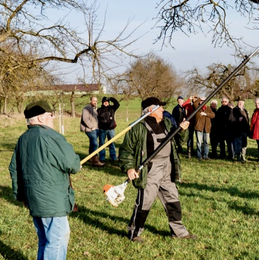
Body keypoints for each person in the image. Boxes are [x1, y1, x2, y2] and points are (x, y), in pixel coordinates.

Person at [10, 100, 81, 260]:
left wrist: (20, 195)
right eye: (51, 115)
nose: (53, 118)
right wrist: (77, 162)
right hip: (51, 197)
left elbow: (13, 169)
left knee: (45, 238)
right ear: (41, 117)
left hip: (33, 197)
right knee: (58, 237)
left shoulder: (23, 138)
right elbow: (71, 164)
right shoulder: (49, 136)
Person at [118, 97, 194, 242]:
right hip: (149, 169)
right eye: (160, 108)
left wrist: (183, 130)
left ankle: (179, 232)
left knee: (173, 199)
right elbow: (126, 151)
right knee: (145, 203)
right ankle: (134, 233)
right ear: (150, 110)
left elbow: (180, 140)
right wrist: (129, 168)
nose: (163, 110)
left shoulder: (166, 123)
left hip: (167, 167)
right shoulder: (137, 127)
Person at [80, 95, 103, 166]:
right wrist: (91, 126)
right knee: (95, 143)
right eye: (94, 101)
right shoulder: (86, 108)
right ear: (90, 101)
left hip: (96, 129)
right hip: (90, 129)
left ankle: (91, 159)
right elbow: (85, 119)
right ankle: (95, 160)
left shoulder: (94, 109)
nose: (95, 102)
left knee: (93, 144)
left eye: (96, 101)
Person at [96, 96, 120, 163]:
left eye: (107, 102)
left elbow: (117, 104)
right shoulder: (99, 110)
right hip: (102, 129)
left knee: (111, 143)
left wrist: (111, 98)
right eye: (105, 102)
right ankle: (102, 157)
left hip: (111, 129)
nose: (106, 103)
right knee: (102, 144)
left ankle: (113, 157)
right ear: (102, 103)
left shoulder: (112, 109)